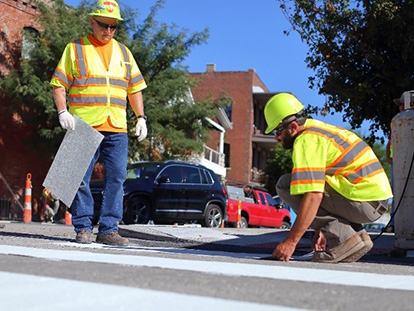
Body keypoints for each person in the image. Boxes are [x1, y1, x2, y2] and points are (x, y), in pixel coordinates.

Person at [50, 0, 147, 246]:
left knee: (117, 178)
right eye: (104, 25)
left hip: (116, 126)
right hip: (83, 124)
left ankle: (109, 229)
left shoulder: (124, 53)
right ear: (92, 22)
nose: (108, 31)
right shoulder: (75, 48)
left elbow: (134, 88)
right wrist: (63, 111)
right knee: (77, 177)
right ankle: (83, 227)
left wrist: (141, 117)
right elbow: (58, 83)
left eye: (113, 27)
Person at [264, 93, 393, 263]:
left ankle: (345, 238)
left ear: (294, 127)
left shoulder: (307, 141)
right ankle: (357, 237)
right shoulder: (318, 130)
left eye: (277, 130)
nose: (276, 137)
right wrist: (324, 229)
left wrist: (290, 242)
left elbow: (313, 196)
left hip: (364, 202)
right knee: (301, 184)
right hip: (372, 201)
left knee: (285, 185)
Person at [385, 93, 406, 233]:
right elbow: (390, 141)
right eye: (400, 104)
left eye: (403, 104)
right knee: (396, 192)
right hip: (396, 162)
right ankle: (394, 222)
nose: (400, 107)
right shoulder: (396, 121)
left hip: (405, 162)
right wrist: (388, 157)